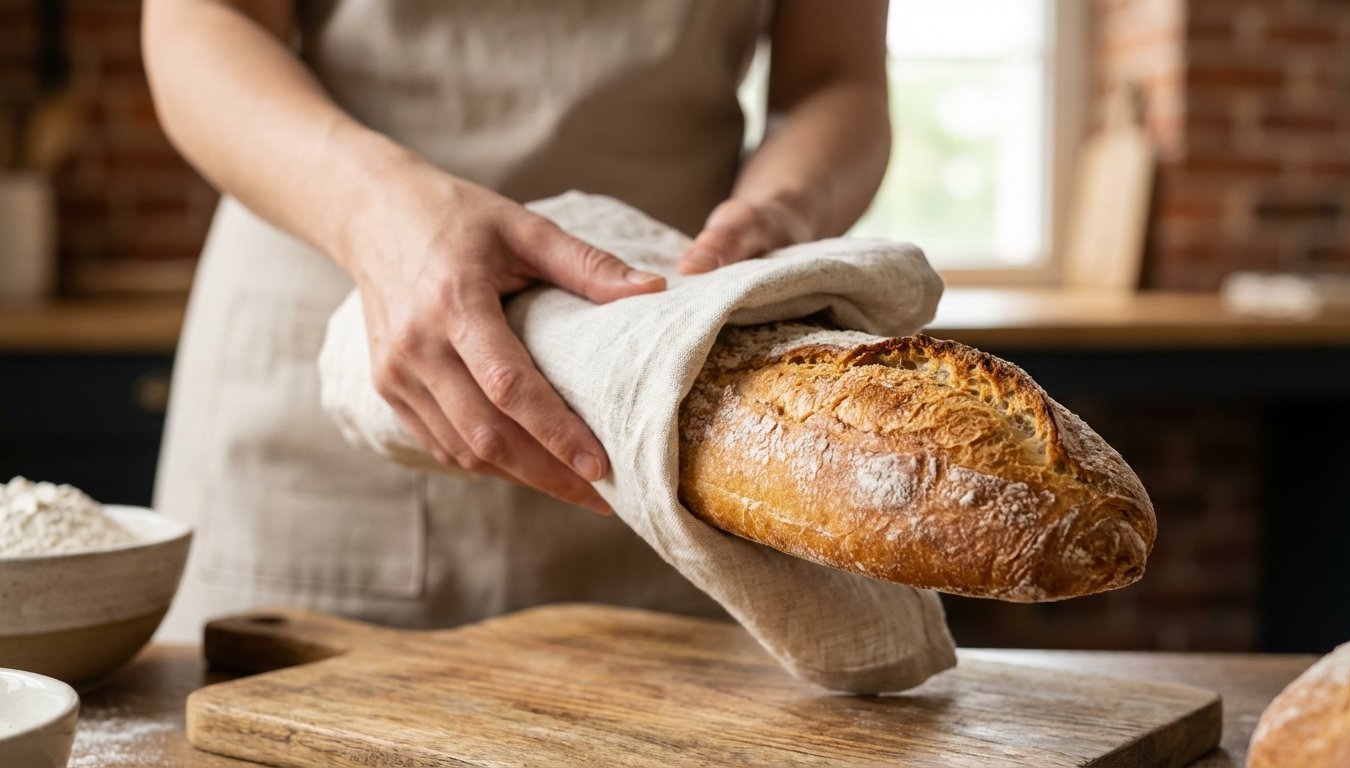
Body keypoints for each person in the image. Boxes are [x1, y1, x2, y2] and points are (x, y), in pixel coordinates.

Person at [143, 0, 892, 641]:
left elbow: (836, 77)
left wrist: (780, 219)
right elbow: (202, 22)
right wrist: (376, 211)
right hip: (324, 391)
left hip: (674, 415)